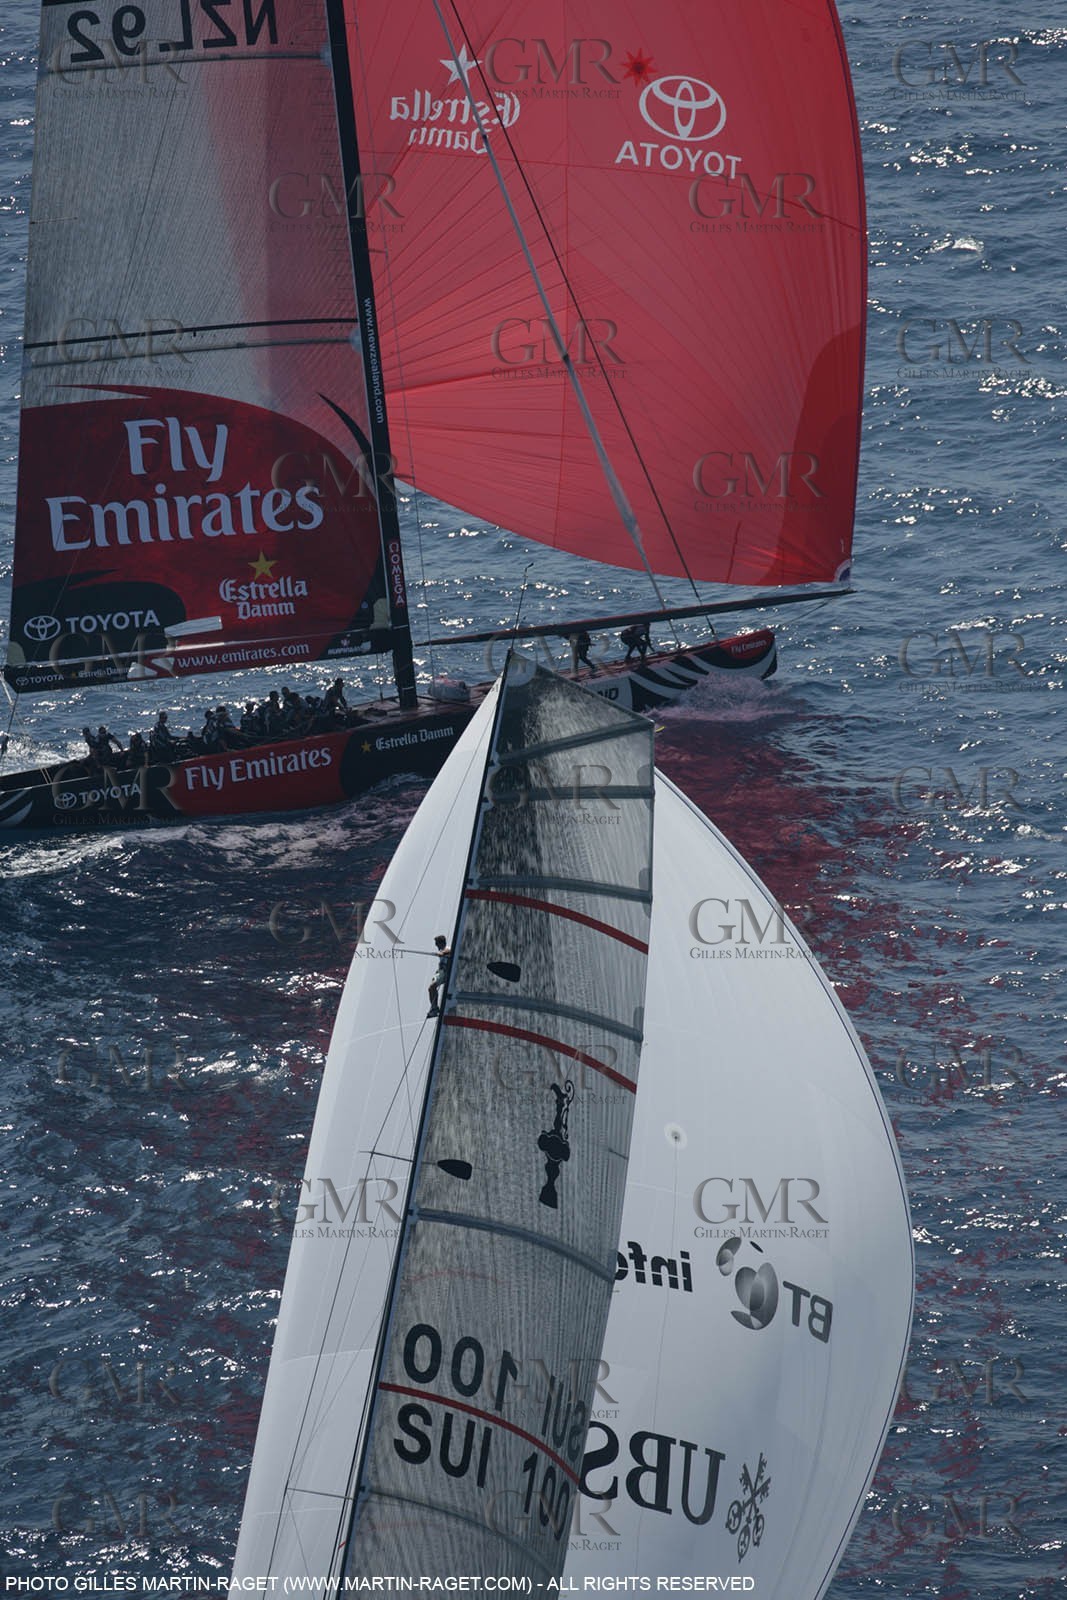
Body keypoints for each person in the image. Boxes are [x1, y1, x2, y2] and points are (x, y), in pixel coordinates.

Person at [427, 934, 452, 1018]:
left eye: (437, 943)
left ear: (441, 943)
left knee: (432, 986)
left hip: (445, 973)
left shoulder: (447, 949)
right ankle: (434, 1008)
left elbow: (449, 951)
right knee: (431, 988)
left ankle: (435, 1008)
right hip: (440, 973)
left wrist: (442, 953)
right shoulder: (442, 950)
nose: (436, 945)